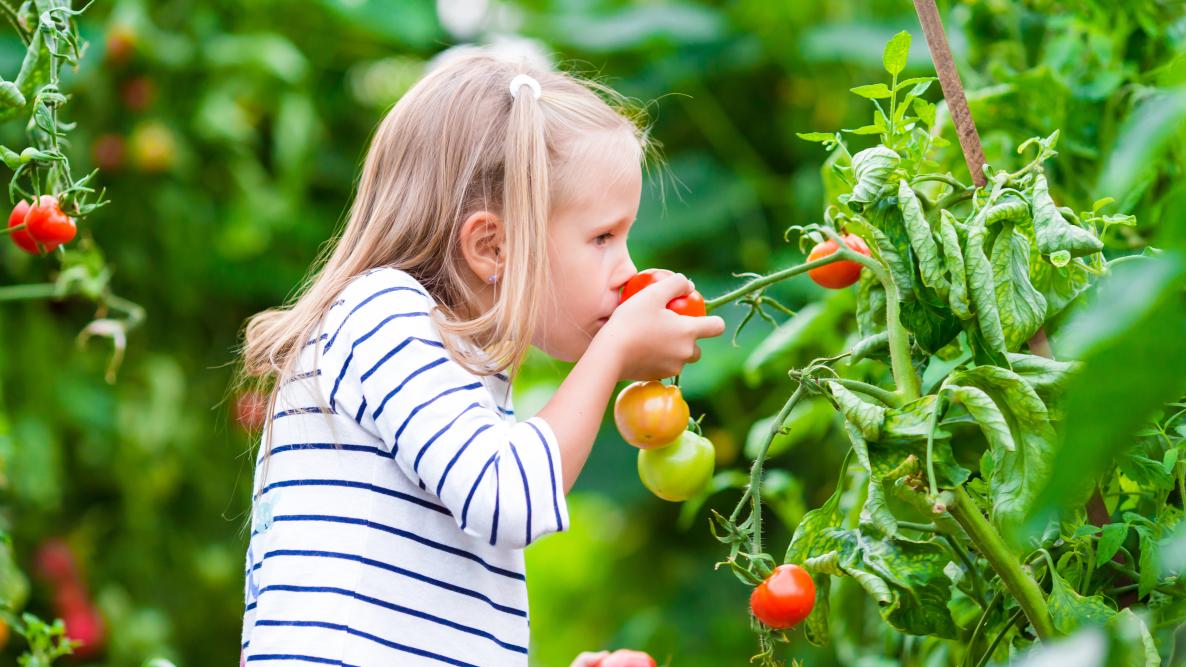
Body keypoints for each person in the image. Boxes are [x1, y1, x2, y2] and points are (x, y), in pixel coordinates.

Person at [235, 52, 724, 666]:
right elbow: (505, 499)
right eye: (602, 237)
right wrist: (615, 347)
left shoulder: (453, 364)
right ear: (492, 246)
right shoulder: (383, 314)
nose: (626, 270)